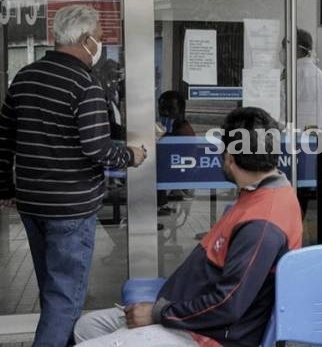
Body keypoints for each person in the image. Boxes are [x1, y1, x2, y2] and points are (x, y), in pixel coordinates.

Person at [74, 107, 303, 347]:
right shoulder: (263, 193)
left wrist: (157, 314)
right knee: (87, 327)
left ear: (229, 157)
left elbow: (228, 306)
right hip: (182, 316)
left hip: (205, 336)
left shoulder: (261, 224)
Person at [0, 4, 146, 346]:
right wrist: (133, 155)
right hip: (71, 209)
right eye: (100, 37)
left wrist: (5, 186)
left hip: (32, 203)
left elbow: (4, 138)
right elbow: (98, 148)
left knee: (54, 291)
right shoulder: (84, 84)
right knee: (65, 300)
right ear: (85, 39)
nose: (101, 44)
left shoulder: (25, 76)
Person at [279, 28, 322, 131]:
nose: (282, 52)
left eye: (284, 47)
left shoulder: (293, 76)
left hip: (294, 141)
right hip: (318, 140)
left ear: (296, 49)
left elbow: (281, 113)